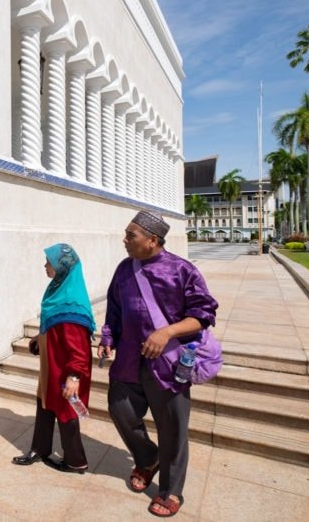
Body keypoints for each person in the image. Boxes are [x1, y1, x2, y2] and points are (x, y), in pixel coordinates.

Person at [98, 211, 218, 518]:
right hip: (127, 360)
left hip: (168, 366)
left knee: (173, 429)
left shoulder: (182, 270)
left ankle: (171, 490)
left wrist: (167, 332)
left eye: (130, 236)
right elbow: (114, 308)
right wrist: (108, 337)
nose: (124, 240)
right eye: (126, 234)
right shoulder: (125, 269)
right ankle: (148, 457)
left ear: (153, 240)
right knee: (120, 410)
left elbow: (203, 315)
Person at [12, 243, 96, 473]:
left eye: (49, 262)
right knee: (45, 404)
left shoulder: (72, 305)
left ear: (62, 266)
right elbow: (53, 327)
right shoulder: (58, 291)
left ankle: (75, 461)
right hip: (52, 363)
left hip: (66, 368)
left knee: (67, 411)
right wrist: (39, 341)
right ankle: (40, 448)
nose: (45, 265)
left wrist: (74, 377)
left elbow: (78, 348)